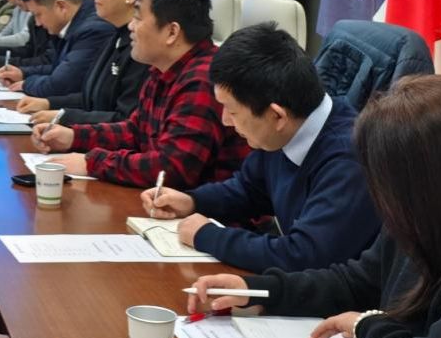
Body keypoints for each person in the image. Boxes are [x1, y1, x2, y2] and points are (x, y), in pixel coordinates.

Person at [188, 74, 441, 338]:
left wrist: (366, 326)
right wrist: (258, 290)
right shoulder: (424, 219)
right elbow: (358, 281)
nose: (381, 198)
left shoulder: (427, 219)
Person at [142, 23, 379, 271]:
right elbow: (248, 190)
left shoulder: (349, 159)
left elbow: (304, 255)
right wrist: (193, 201)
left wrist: (207, 236)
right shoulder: (285, 128)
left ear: (277, 116)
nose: (225, 120)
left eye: (232, 111)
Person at [32, 0, 248, 187]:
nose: (130, 26)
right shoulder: (163, 70)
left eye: (137, 18)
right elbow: (135, 131)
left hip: (197, 206)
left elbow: (172, 168)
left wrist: (92, 163)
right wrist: (73, 136)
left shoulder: (202, 80)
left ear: (172, 32)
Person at [17, 0, 159, 126]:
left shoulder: (142, 45)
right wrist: (50, 103)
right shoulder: (116, 34)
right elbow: (93, 98)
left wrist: (63, 116)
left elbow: (126, 120)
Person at [0, 0, 114, 99]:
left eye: (38, 15)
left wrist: (26, 84)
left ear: (61, 6)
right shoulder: (68, 22)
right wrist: (23, 73)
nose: (37, 23)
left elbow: (60, 85)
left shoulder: (92, 31)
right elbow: (58, 67)